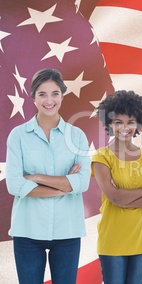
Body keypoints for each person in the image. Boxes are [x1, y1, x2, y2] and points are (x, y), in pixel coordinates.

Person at [5, 68, 91, 284]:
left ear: (62, 95)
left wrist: (35, 178)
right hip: (27, 230)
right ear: (33, 97)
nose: (49, 100)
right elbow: (15, 185)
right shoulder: (18, 136)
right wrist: (64, 185)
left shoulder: (77, 136)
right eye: (42, 94)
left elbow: (82, 182)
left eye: (54, 93)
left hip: (67, 231)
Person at [91, 90, 142, 284]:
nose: (125, 127)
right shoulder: (102, 157)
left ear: (138, 123)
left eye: (130, 122)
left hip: (141, 238)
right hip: (113, 238)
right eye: (118, 122)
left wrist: (125, 195)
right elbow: (114, 198)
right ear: (109, 123)